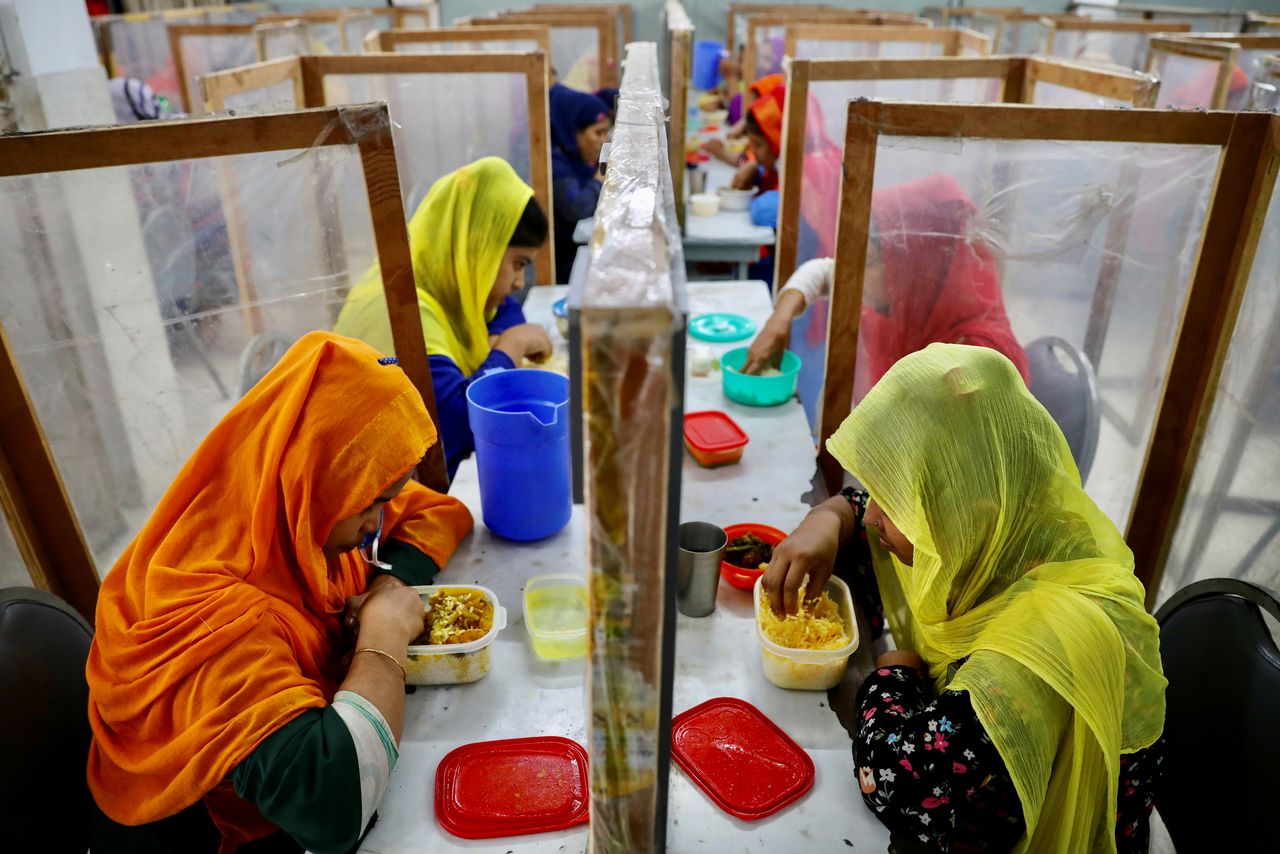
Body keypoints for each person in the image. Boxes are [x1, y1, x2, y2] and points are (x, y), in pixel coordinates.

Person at [763, 343, 1166, 852]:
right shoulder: (1008, 527)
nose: (872, 516)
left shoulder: (1042, 643)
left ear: (961, 512)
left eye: (896, 502)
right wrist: (829, 518)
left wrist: (895, 675)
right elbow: (877, 527)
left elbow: (898, 783)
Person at [86, 332, 476, 854]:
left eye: (387, 498)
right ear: (313, 475)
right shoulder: (212, 614)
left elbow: (434, 512)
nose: (375, 523)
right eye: (371, 502)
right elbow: (335, 808)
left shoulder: (292, 507)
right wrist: (383, 635)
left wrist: (386, 582)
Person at [334, 157, 553, 478]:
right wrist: (511, 345)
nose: (520, 283)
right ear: (479, 250)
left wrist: (502, 340)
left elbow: (503, 309)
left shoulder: (447, 285)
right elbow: (459, 426)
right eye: (518, 264)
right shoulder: (406, 309)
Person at [743, 174, 1030, 400]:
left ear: (913, 270)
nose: (851, 274)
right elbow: (822, 271)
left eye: (867, 263)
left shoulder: (978, 357)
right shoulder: (906, 300)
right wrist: (779, 321)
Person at [547, 83, 611, 281]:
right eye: (598, 133)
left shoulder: (576, 158)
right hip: (561, 269)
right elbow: (578, 207)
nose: (604, 140)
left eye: (606, 132)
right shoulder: (554, 164)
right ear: (574, 132)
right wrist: (601, 178)